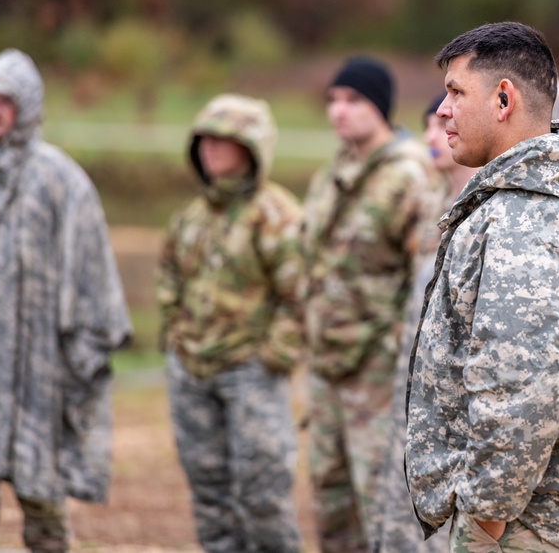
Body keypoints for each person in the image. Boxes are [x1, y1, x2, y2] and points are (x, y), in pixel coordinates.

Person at [405, 21, 559, 553]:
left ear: (503, 99)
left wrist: (481, 526)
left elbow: (522, 390)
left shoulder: (523, 216)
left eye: (456, 92)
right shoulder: (536, 197)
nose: (442, 110)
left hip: (522, 532)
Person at [0, 48, 131, 553]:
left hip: (39, 376)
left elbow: (94, 278)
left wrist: (85, 358)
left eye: (4, 101)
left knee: (45, 511)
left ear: (27, 106)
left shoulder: (62, 182)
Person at [300, 56, 442, 553]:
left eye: (353, 101)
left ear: (379, 107)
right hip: (327, 367)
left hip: (377, 374)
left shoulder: (409, 175)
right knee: (330, 504)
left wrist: (394, 353)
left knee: (381, 502)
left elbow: (423, 281)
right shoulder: (335, 171)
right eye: (333, 100)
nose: (339, 112)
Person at [156, 94, 304, 553]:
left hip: (250, 374)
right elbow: (169, 281)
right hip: (192, 374)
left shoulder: (275, 215)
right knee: (209, 493)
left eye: (225, 140)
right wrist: (177, 341)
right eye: (205, 140)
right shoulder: (192, 217)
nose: (211, 149)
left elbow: (300, 294)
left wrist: (272, 356)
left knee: (262, 494)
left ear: (252, 148)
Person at [375, 93, 477, 552]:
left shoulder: (477, 214)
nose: (431, 137)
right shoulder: (434, 204)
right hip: (410, 392)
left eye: (439, 126)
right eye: (427, 128)